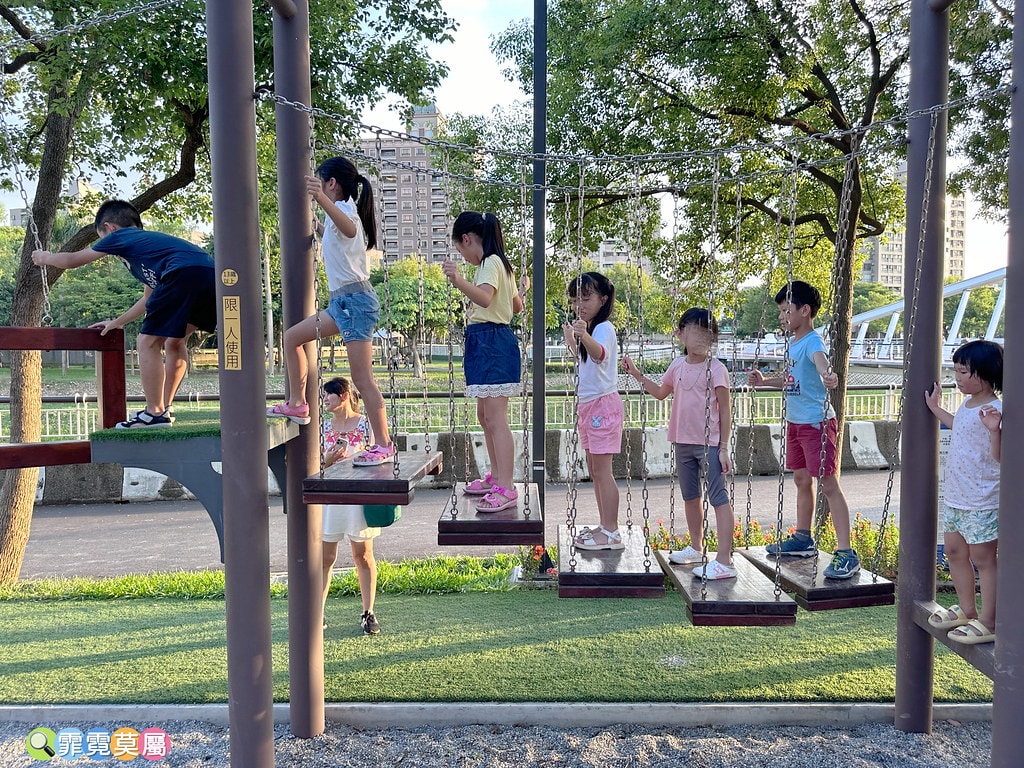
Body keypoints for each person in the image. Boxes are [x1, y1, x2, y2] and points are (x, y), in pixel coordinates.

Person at [32, 200, 215, 428]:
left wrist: (44, 257)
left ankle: (154, 413)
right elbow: (149, 300)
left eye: (102, 239)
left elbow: (72, 260)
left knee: (147, 342)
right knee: (175, 342)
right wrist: (118, 322)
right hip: (210, 276)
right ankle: (163, 409)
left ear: (109, 228)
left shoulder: (121, 236)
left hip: (181, 274)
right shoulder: (150, 250)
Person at [267, 156, 393, 467]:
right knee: (292, 338)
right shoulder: (337, 215)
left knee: (362, 379)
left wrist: (319, 199)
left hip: (356, 303)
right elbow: (337, 236)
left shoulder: (347, 211)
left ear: (331, 184)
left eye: (321, 183)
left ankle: (383, 444)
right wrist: (317, 225)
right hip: (341, 304)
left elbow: (348, 229)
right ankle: (298, 404)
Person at [746, 280, 859, 579]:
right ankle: (803, 539)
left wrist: (829, 376)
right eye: (781, 311)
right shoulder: (793, 343)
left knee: (828, 485)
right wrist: (765, 382)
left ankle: (846, 553)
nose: (782, 317)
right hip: (796, 422)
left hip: (816, 423)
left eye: (787, 311)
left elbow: (821, 364)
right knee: (800, 479)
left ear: (804, 310)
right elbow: (790, 379)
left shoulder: (812, 342)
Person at [623, 308, 737, 579]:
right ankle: (697, 548)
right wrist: (637, 374)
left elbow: (725, 410)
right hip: (682, 441)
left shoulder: (717, 369)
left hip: (709, 444)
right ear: (680, 334)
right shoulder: (677, 365)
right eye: (696, 332)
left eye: (708, 333)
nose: (703, 338)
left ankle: (725, 560)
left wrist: (723, 448)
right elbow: (660, 393)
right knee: (690, 497)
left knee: (718, 497)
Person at [442, 211, 528, 513]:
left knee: (495, 418)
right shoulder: (498, 264)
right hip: (486, 340)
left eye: (461, 250)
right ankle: (498, 478)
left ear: (467, 239)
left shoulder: (490, 262)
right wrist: (520, 291)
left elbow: (485, 299)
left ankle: (507, 486)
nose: (463, 258)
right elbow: (515, 306)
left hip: (492, 342)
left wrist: (457, 279)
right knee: (485, 415)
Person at [925, 340, 1003, 645]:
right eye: (956, 370)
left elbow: (1001, 457)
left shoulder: (997, 410)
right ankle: (967, 610)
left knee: (984, 560)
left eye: (963, 372)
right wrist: (936, 409)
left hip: (982, 500)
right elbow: (961, 427)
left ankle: (989, 621)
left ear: (985, 374)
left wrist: (995, 430)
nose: (956, 377)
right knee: (955, 552)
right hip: (957, 497)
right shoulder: (968, 404)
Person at [563, 271, 624, 551]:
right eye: (575, 299)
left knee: (602, 471)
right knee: (595, 470)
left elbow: (599, 354)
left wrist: (583, 335)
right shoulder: (591, 329)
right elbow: (586, 361)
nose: (579, 305)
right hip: (589, 405)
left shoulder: (604, 328)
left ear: (603, 299)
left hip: (602, 405)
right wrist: (572, 341)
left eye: (586, 299)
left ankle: (611, 531)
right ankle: (605, 525)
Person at [319, 376, 382, 635]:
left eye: (329, 394)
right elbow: (313, 465)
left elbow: (380, 456)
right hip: (329, 498)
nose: (324, 399)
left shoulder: (366, 424)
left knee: (363, 556)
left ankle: (368, 612)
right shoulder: (322, 427)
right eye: (323, 395)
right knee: (325, 557)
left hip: (358, 496)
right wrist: (327, 461)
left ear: (344, 395)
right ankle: (317, 612)